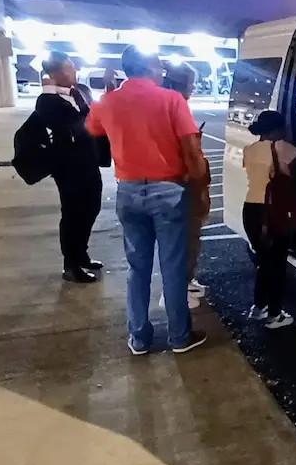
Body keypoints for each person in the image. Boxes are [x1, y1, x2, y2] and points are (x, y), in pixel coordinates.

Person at [86, 46, 210, 355]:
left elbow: (92, 127)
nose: (163, 70)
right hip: (168, 191)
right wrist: (199, 188)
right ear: (151, 68)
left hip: (128, 191)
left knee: (137, 268)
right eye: (158, 65)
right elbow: (192, 150)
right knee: (172, 267)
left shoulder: (108, 102)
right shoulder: (172, 100)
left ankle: (139, 337)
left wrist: (110, 93)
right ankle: (180, 336)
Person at [36, 51, 108, 283]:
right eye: (68, 69)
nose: (74, 71)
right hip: (67, 166)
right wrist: (49, 88)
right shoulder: (46, 101)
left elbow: (95, 116)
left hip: (88, 161)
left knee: (92, 207)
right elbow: (69, 123)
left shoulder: (81, 91)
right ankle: (71, 265)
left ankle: (81, 253)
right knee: (73, 214)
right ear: (55, 73)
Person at [242, 110, 296, 329]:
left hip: (251, 210)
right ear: (277, 129)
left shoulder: (250, 149)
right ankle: (274, 315)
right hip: (272, 211)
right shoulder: (281, 147)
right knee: (277, 264)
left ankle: (259, 307)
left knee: (264, 261)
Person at [164, 62, 209, 308]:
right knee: (185, 237)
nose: (194, 88)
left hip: (181, 182)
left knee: (190, 237)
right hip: (183, 183)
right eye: (192, 83)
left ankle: (186, 280)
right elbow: (188, 152)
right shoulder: (175, 106)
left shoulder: (171, 104)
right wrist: (199, 184)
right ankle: (177, 291)